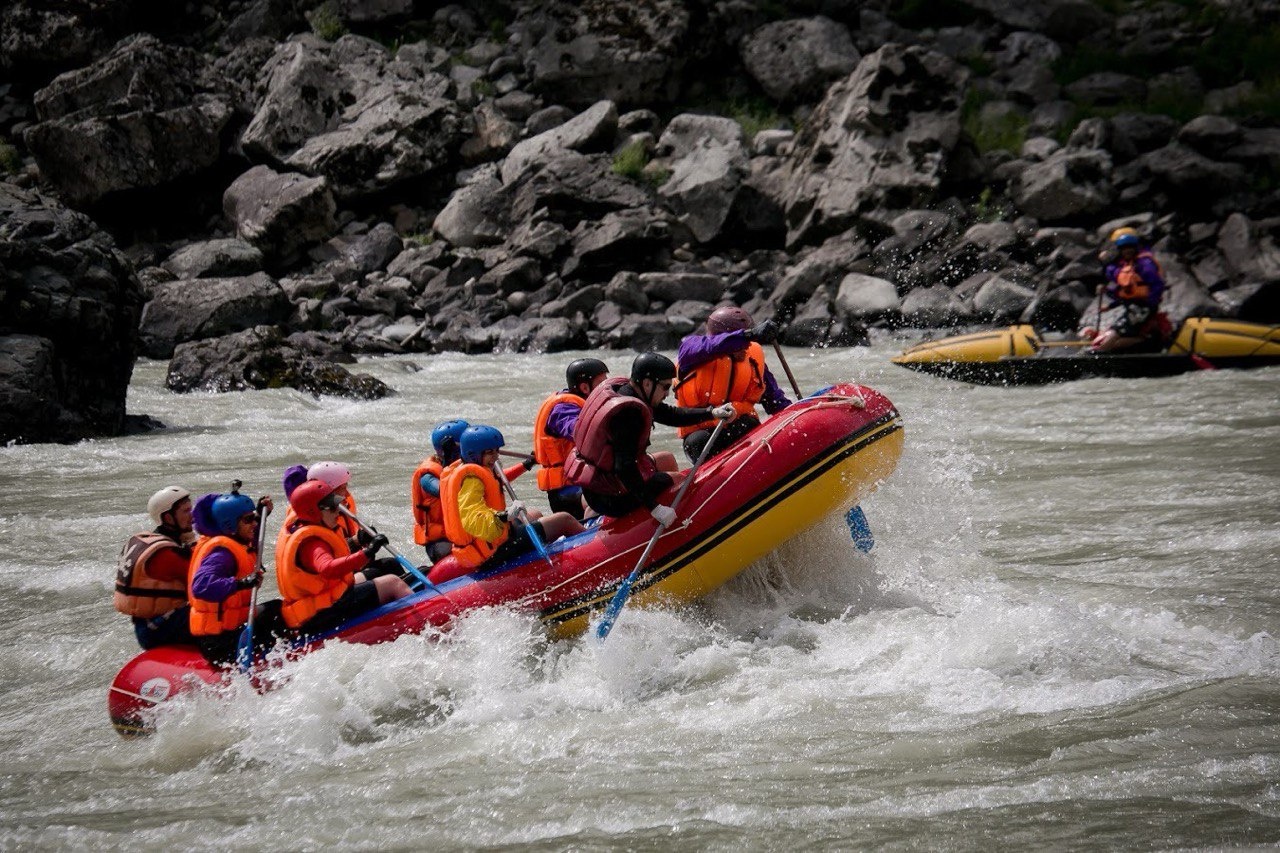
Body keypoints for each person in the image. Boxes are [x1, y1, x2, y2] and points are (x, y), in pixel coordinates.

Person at [564, 352, 735, 524]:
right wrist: (655, 508)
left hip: (600, 485)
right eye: (665, 387)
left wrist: (711, 412)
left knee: (666, 459)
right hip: (611, 497)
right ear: (647, 383)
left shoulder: (626, 391)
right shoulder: (629, 415)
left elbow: (670, 414)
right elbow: (624, 468)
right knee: (679, 481)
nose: (667, 393)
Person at [276, 479, 412, 639]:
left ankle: (403, 603)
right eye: (333, 508)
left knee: (385, 567)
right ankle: (423, 622)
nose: (338, 512)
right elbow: (328, 568)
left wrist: (360, 540)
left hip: (325, 598)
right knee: (392, 583)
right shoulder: (312, 544)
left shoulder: (309, 528)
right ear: (314, 512)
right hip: (320, 613)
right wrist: (367, 553)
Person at [441, 425, 585, 570]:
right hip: (490, 550)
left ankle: (550, 557)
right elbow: (472, 517)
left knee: (535, 514)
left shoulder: (471, 468)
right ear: (474, 455)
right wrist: (505, 516)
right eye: (490, 452)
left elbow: (498, 480)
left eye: (497, 451)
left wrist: (525, 465)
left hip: (489, 539)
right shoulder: (471, 481)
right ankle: (590, 552)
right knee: (564, 520)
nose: (496, 456)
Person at [675, 306, 791, 462]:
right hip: (702, 436)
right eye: (742, 342)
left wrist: (794, 415)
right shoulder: (692, 351)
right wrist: (747, 335)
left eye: (748, 341)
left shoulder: (752, 359)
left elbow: (776, 402)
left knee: (748, 423)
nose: (747, 346)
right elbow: (713, 345)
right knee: (699, 440)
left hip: (740, 427)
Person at [188, 486, 286, 666]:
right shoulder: (221, 553)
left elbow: (249, 541)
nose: (254, 523)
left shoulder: (235, 540)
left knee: (276, 607)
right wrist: (241, 583)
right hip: (219, 642)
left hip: (229, 628)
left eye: (254, 518)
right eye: (249, 520)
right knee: (276, 616)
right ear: (230, 525)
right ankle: (280, 661)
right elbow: (200, 586)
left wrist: (261, 514)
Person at [114, 486, 198, 650]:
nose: (192, 515)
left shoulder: (155, 541)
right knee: (220, 612)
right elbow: (201, 581)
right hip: (157, 630)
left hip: (150, 627)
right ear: (168, 518)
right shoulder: (165, 554)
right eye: (186, 511)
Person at [532, 358, 610, 519]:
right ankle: (595, 528)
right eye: (601, 383)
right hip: (565, 491)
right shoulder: (562, 409)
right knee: (600, 499)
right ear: (584, 387)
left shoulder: (584, 402)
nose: (607, 388)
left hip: (585, 480)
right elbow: (576, 430)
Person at [1085, 227, 1171, 353]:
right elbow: (1127, 294)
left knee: (1117, 329)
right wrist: (1110, 303)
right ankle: (1145, 344)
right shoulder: (1127, 265)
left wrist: (1149, 305)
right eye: (1124, 248)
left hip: (1144, 307)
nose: (1128, 250)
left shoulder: (1144, 264)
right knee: (1121, 335)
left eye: (1130, 248)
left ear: (1136, 248)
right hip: (1135, 306)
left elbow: (1157, 286)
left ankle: (1098, 352)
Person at [412, 420, 469, 563]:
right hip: (440, 540)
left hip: (466, 531)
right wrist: (448, 463)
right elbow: (446, 491)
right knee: (447, 550)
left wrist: (523, 466)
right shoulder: (427, 476)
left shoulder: (468, 465)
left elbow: (492, 481)